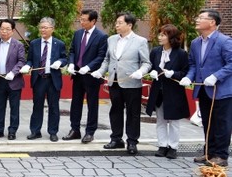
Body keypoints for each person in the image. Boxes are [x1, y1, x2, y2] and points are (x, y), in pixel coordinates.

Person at [91, 12, 151, 155]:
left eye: (120, 22)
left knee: (133, 113)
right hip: (114, 81)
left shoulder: (140, 41)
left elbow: (146, 63)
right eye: (116, 22)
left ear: (129, 25)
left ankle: (132, 141)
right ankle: (116, 139)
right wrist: (100, 71)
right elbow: (107, 59)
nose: (116, 25)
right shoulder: (112, 39)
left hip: (131, 82)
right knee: (115, 111)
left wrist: (140, 72)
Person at [180, 9, 232, 167]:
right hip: (203, 89)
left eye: (201, 18)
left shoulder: (224, 41)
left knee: (221, 123)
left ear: (212, 22)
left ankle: (221, 155)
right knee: (207, 122)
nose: (197, 20)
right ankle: (209, 152)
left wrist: (216, 76)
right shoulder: (196, 43)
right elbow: (193, 65)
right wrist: (189, 77)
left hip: (221, 91)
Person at [64, 9, 108, 143]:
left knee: (92, 104)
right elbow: (72, 51)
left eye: (84, 20)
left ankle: (90, 132)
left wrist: (88, 67)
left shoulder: (101, 36)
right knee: (76, 103)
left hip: (91, 76)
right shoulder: (78, 34)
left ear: (93, 21)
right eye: (80, 19)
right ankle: (75, 129)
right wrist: (71, 63)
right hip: (77, 75)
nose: (81, 22)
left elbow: (101, 56)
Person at [146, 24, 189, 159]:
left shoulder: (181, 53)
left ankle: (173, 147)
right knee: (160, 120)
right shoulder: (155, 51)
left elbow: (185, 72)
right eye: (160, 34)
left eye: (163, 35)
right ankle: (162, 145)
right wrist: (152, 72)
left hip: (174, 91)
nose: (160, 37)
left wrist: (173, 73)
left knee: (174, 121)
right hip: (158, 91)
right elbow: (151, 67)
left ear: (171, 37)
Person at [20, 17, 67, 142]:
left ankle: (53, 132)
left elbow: (64, 58)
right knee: (37, 106)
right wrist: (27, 65)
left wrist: (59, 62)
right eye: (41, 27)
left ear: (52, 29)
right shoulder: (34, 43)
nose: (43, 30)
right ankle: (35, 131)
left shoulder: (59, 44)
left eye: (46, 27)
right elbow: (30, 59)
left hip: (53, 79)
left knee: (53, 107)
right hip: (39, 79)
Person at [0, 19, 25, 140]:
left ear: (12, 31)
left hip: (14, 80)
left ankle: (12, 131)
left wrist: (13, 72)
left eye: (7, 29)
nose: (4, 31)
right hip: (0, 79)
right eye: (2, 29)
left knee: (14, 107)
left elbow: (21, 61)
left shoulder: (18, 45)